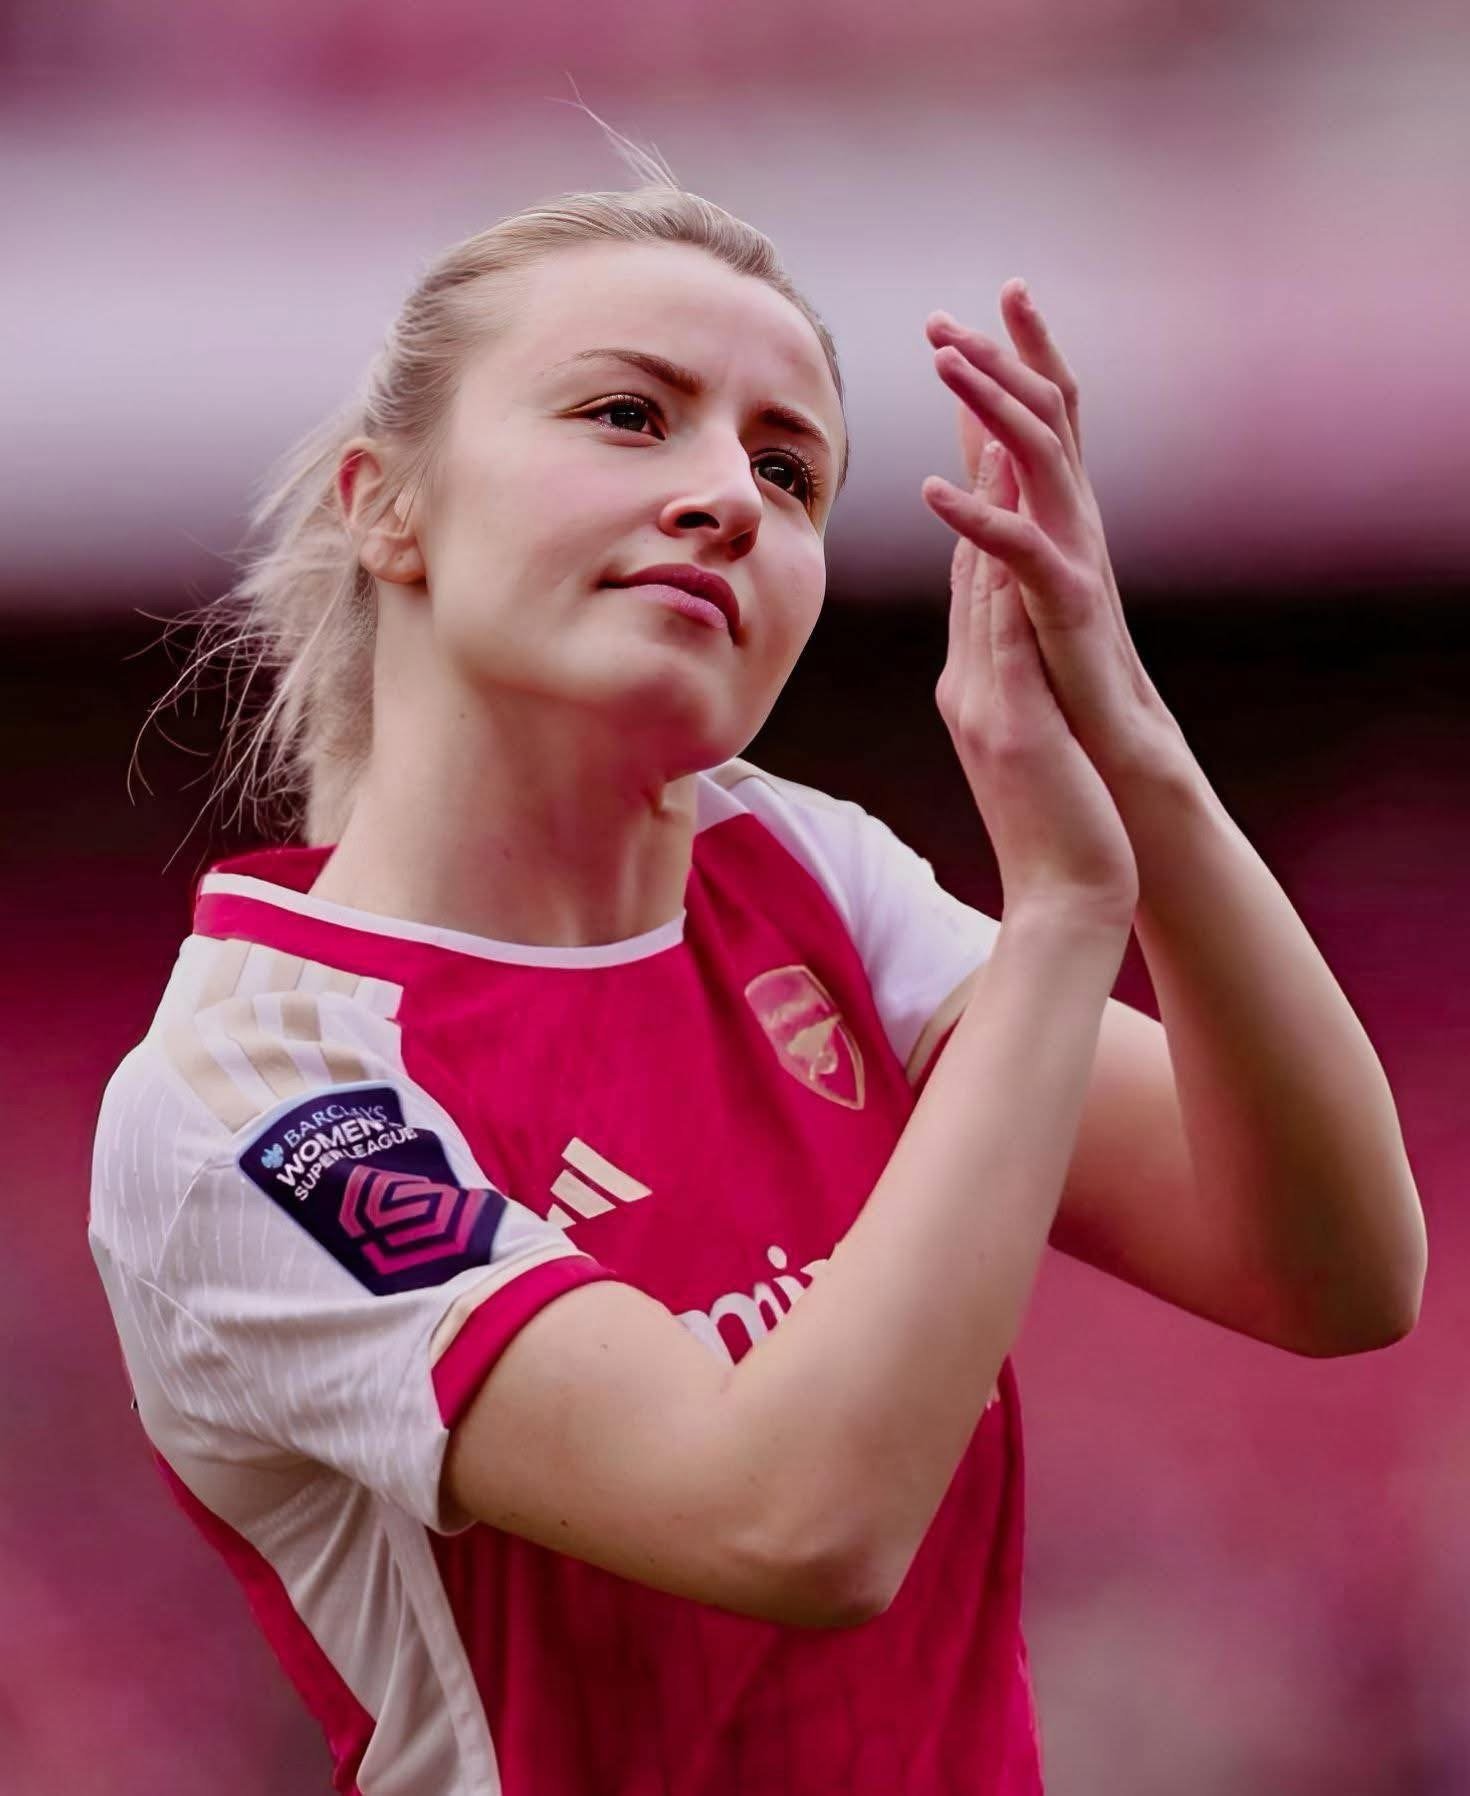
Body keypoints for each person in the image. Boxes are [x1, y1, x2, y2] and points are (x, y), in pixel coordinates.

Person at [89, 150, 1426, 1796]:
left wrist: (1136, 749)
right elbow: (792, 1521)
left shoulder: (792, 864)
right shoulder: (261, 1100)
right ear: (388, 506)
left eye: (788, 470)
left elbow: (1333, 1272)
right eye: (628, 416)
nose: (728, 493)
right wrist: (1066, 914)